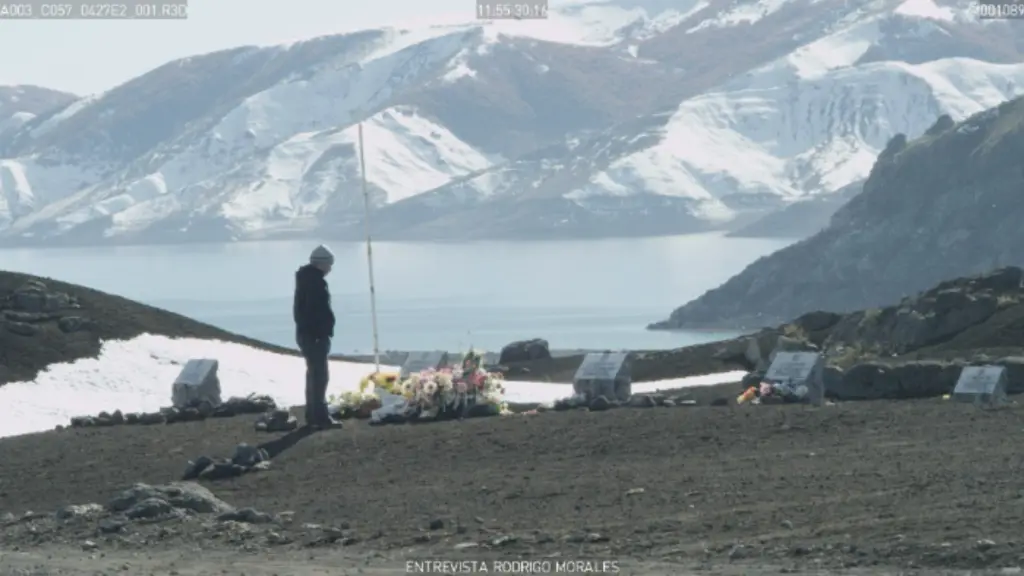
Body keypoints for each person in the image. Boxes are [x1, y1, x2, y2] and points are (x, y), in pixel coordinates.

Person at [294, 244, 341, 429]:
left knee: (314, 375)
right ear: (322, 264)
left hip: (308, 335)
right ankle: (320, 418)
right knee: (320, 376)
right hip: (314, 336)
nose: (330, 268)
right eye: (329, 264)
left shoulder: (306, 279)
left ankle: (313, 416)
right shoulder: (315, 282)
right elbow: (315, 311)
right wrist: (320, 332)